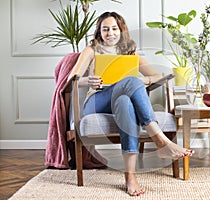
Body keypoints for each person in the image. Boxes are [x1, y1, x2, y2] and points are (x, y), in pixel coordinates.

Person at [68, 11, 194, 196]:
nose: (110, 33)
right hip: (97, 99)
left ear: (121, 30)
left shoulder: (130, 53)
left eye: (114, 29)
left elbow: (156, 76)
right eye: (105, 29)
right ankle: (160, 140)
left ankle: (130, 177)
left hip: (119, 100)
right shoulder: (92, 50)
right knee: (131, 81)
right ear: (99, 32)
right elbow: (71, 77)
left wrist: (138, 81)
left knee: (125, 101)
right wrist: (89, 81)